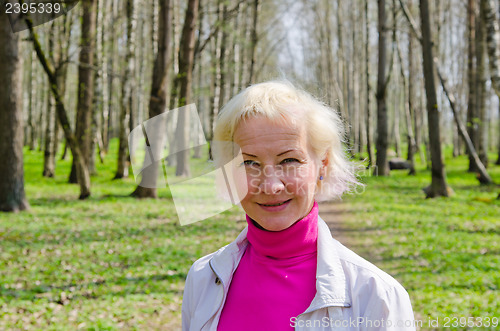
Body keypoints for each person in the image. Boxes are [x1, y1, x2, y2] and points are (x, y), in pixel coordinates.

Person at [181, 80, 415, 330]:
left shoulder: (377, 295)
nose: (271, 186)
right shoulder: (202, 278)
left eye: (289, 160)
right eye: (249, 163)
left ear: (322, 164)